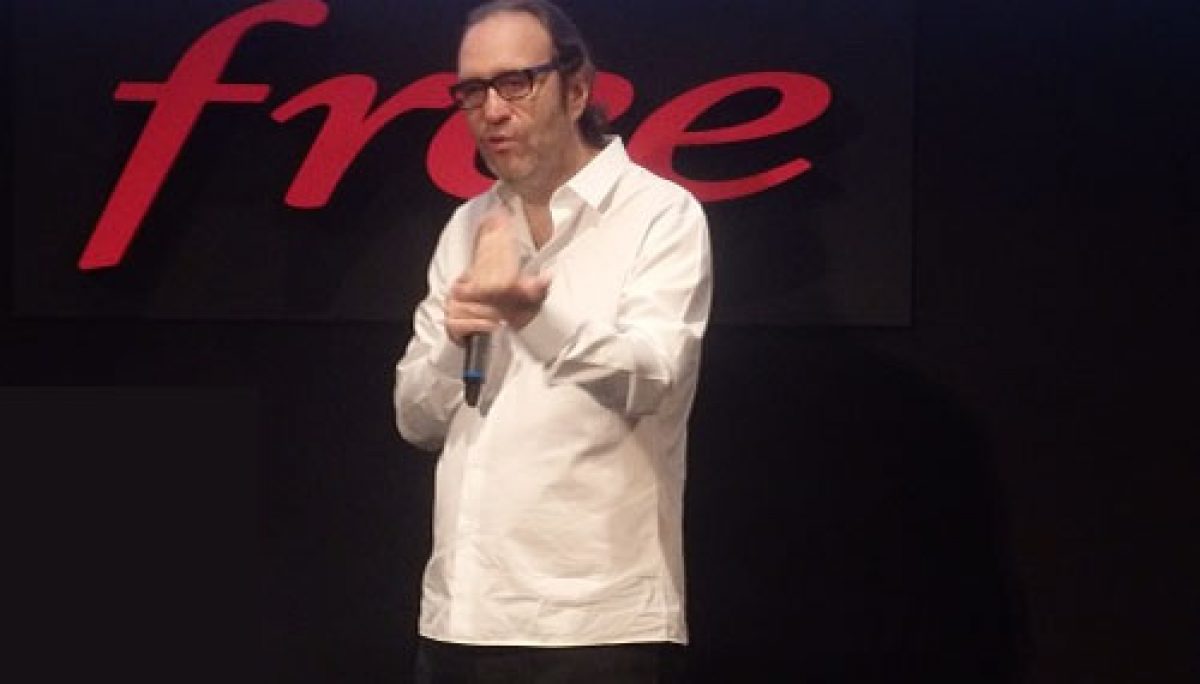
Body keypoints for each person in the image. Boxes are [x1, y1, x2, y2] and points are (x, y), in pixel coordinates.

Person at [394, 1, 712, 680]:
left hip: (594, 626)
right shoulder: (467, 225)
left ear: (576, 90)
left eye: (516, 83)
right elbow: (415, 420)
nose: (492, 110)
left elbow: (652, 377)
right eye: (472, 90)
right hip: (460, 617)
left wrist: (531, 315)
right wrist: (455, 338)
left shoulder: (659, 214)